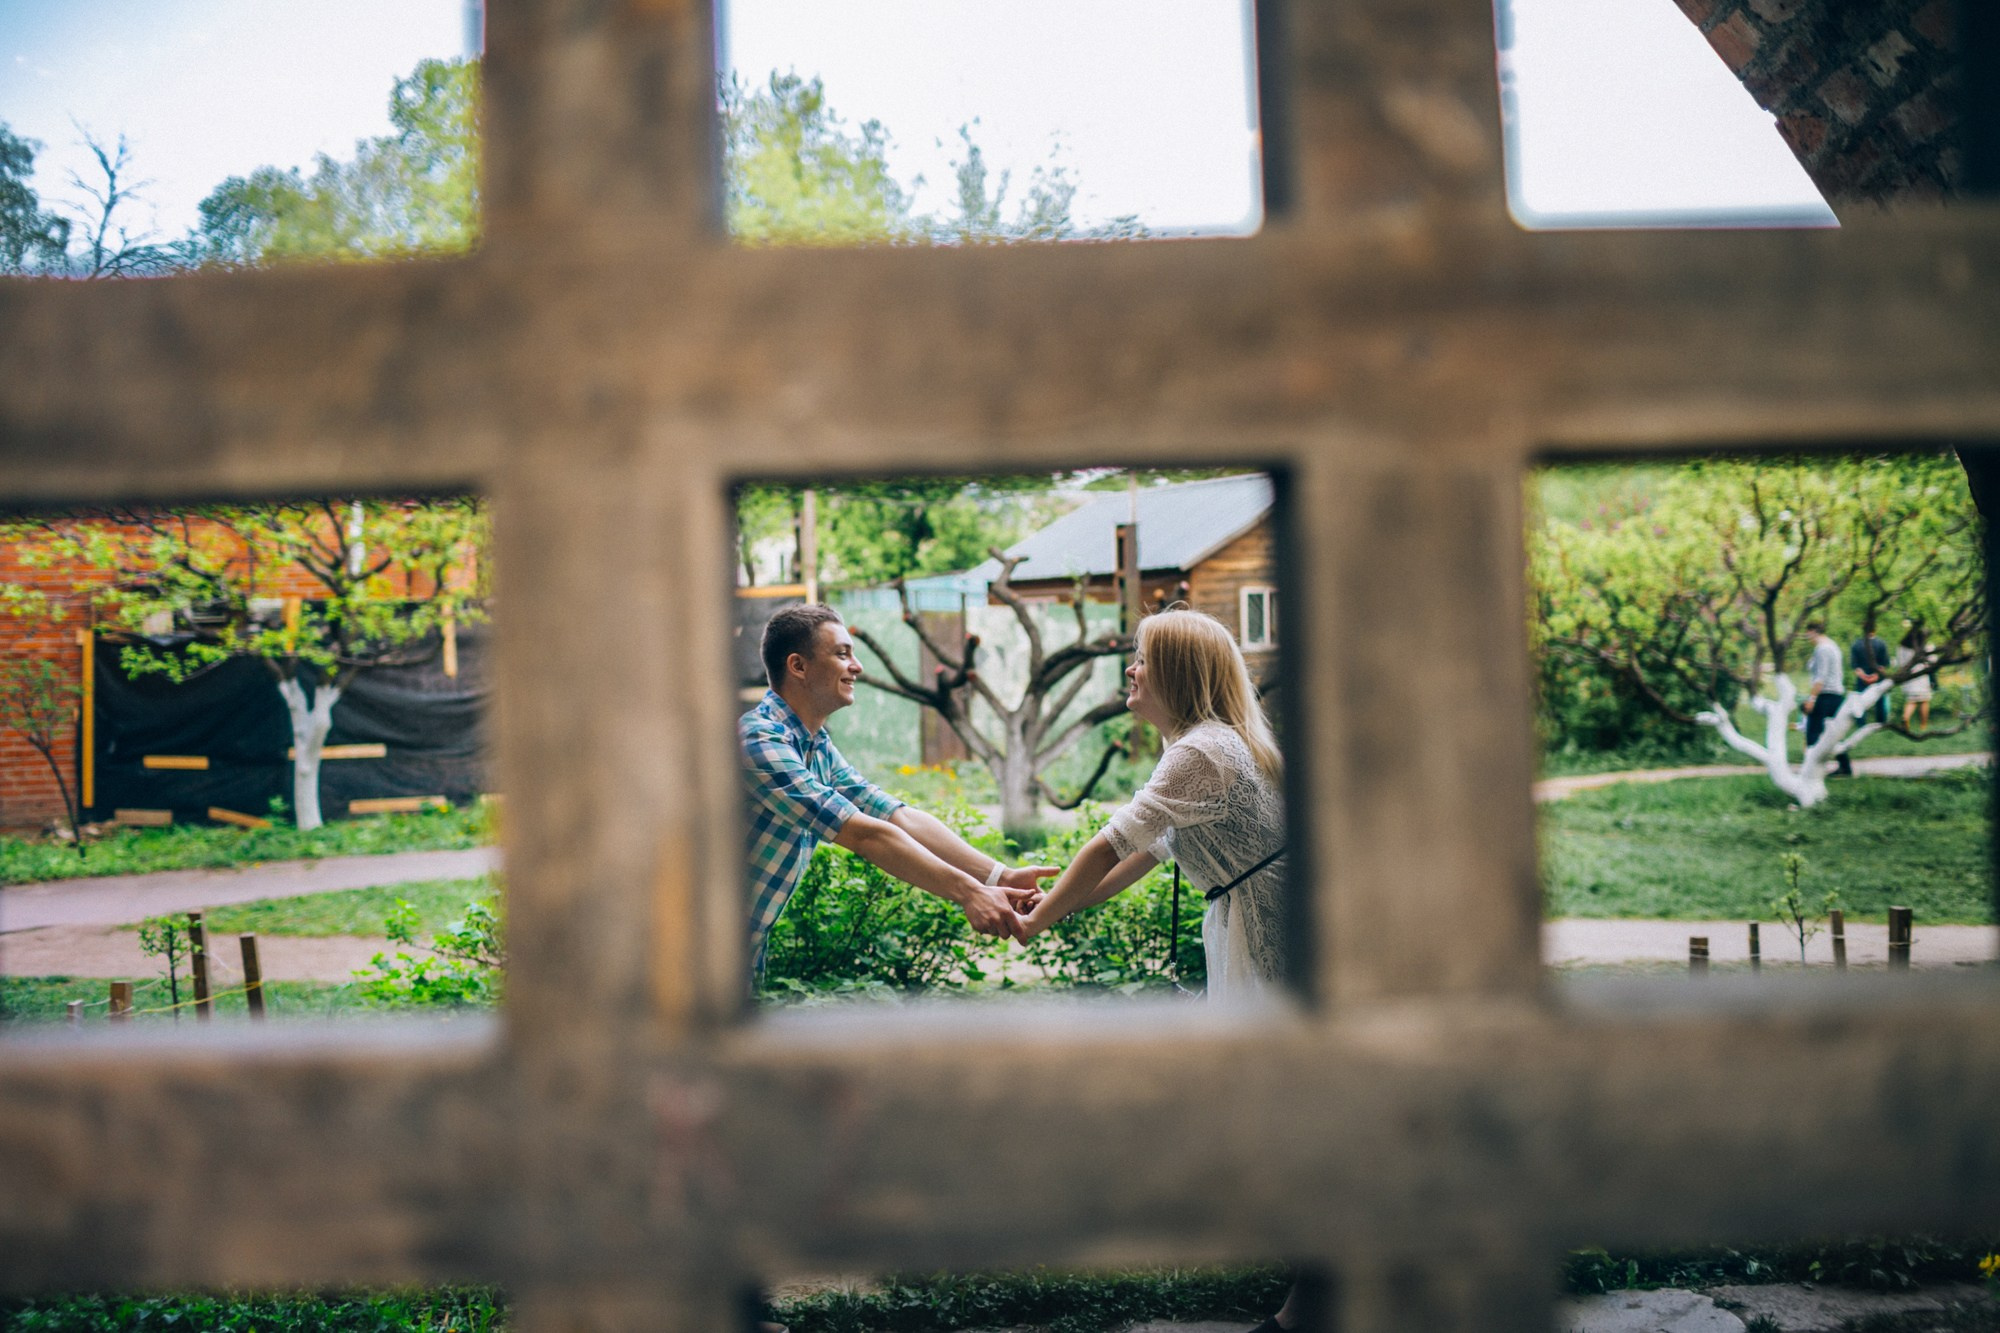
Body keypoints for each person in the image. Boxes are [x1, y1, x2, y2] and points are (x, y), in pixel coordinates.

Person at [1017, 607, 1300, 1331]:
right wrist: (1049, 900)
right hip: (1255, 924)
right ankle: (1313, 1296)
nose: (1131, 670)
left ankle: (1313, 1299)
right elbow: (1135, 860)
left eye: (1142, 658)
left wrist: (1033, 920)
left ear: (1178, 671)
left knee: (1290, 1114)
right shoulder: (1206, 746)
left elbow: (1107, 849)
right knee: (1287, 1111)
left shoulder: (1203, 752)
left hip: (1268, 935)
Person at [740, 603, 1053, 982]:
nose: (857, 667)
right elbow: (866, 835)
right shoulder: (758, 741)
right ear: (798, 666)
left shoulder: (813, 746)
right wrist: (971, 893)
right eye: (842, 654)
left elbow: (894, 815)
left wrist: (999, 877)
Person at [1803, 621, 1853, 777]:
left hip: (1825, 695)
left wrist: (1811, 699)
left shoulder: (1822, 649)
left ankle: (1810, 771)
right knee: (1833, 733)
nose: (1806, 636)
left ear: (1814, 631)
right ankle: (1845, 767)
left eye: (1808, 632)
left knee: (1813, 732)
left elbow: (1820, 678)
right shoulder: (1832, 646)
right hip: (1836, 695)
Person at [1850, 619, 1892, 725]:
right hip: (1878, 677)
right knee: (1880, 700)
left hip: (1862, 678)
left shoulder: (1856, 644)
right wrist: (1876, 676)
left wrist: (1863, 677)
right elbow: (1884, 664)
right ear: (1875, 629)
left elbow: (1855, 666)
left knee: (1860, 700)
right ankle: (1881, 723)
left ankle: (1861, 723)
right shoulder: (1881, 643)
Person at [1895, 624, 1933, 731]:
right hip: (1921, 676)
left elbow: (1900, 662)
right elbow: (1932, 660)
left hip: (1908, 676)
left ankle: (1905, 717)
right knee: (1924, 701)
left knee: (1911, 700)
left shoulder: (1901, 647)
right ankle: (1923, 725)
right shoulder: (1925, 646)